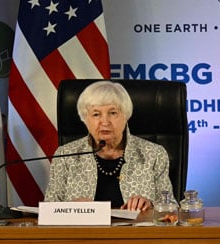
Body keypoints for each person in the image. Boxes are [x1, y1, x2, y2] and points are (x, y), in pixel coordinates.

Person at [44, 81, 174, 211]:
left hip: (136, 230)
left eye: (113, 113)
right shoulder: (65, 156)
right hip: (82, 230)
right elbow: (48, 210)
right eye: (96, 114)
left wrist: (150, 205)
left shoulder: (153, 154)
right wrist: (70, 208)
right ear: (85, 119)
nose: (105, 122)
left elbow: (172, 208)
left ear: (126, 116)